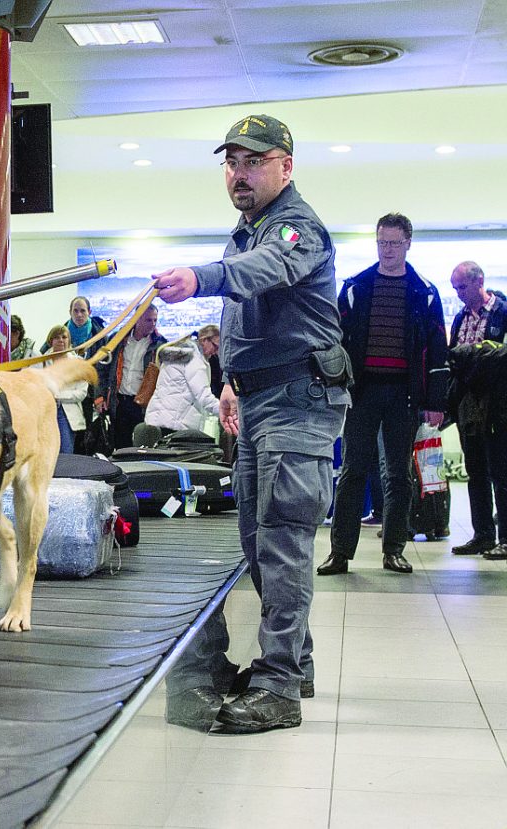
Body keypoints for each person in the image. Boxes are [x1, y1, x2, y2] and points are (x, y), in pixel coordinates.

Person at [154, 114, 349, 733]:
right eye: (232, 162)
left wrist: (200, 278)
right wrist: (234, 381)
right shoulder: (247, 229)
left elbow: (266, 273)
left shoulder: (295, 228)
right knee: (257, 543)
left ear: (285, 167)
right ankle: (295, 663)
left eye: (253, 162)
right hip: (260, 400)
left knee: (284, 542)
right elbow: (251, 316)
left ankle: (279, 686)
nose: (239, 174)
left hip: (299, 399)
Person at [318, 213, 448, 576]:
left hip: (404, 394)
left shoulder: (424, 292)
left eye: (393, 243)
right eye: (381, 243)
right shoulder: (357, 286)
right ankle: (340, 552)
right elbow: (336, 339)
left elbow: (437, 346)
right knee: (352, 472)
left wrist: (435, 401)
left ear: (408, 243)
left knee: (398, 475)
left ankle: (394, 549)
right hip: (363, 392)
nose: (387, 250)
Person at [446, 260, 507, 557]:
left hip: (497, 404)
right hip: (468, 404)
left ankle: (505, 537)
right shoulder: (459, 318)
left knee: (501, 471)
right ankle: (483, 534)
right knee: (476, 471)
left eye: (462, 287)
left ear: (479, 281)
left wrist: (478, 357)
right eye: (455, 288)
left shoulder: (502, 313)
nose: (458, 293)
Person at [93, 303, 166, 449]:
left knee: (144, 447)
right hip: (120, 402)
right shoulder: (118, 339)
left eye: (155, 320)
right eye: (148, 320)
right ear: (136, 319)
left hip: (144, 405)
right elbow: (101, 369)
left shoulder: (160, 345)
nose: (152, 324)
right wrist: (99, 397)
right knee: (120, 446)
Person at [144, 324, 222, 433]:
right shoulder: (194, 360)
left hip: (159, 419)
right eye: (216, 346)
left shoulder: (179, 353)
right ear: (204, 340)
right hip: (175, 424)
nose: (216, 352)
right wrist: (225, 411)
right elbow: (203, 395)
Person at [40, 324, 87, 453]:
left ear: (69, 341)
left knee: (66, 453)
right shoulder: (40, 361)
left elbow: (82, 393)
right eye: (57, 337)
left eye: (64, 337)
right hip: (45, 412)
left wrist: (58, 396)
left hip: (66, 413)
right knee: (46, 453)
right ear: (50, 341)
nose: (61, 340)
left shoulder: (78, 363)